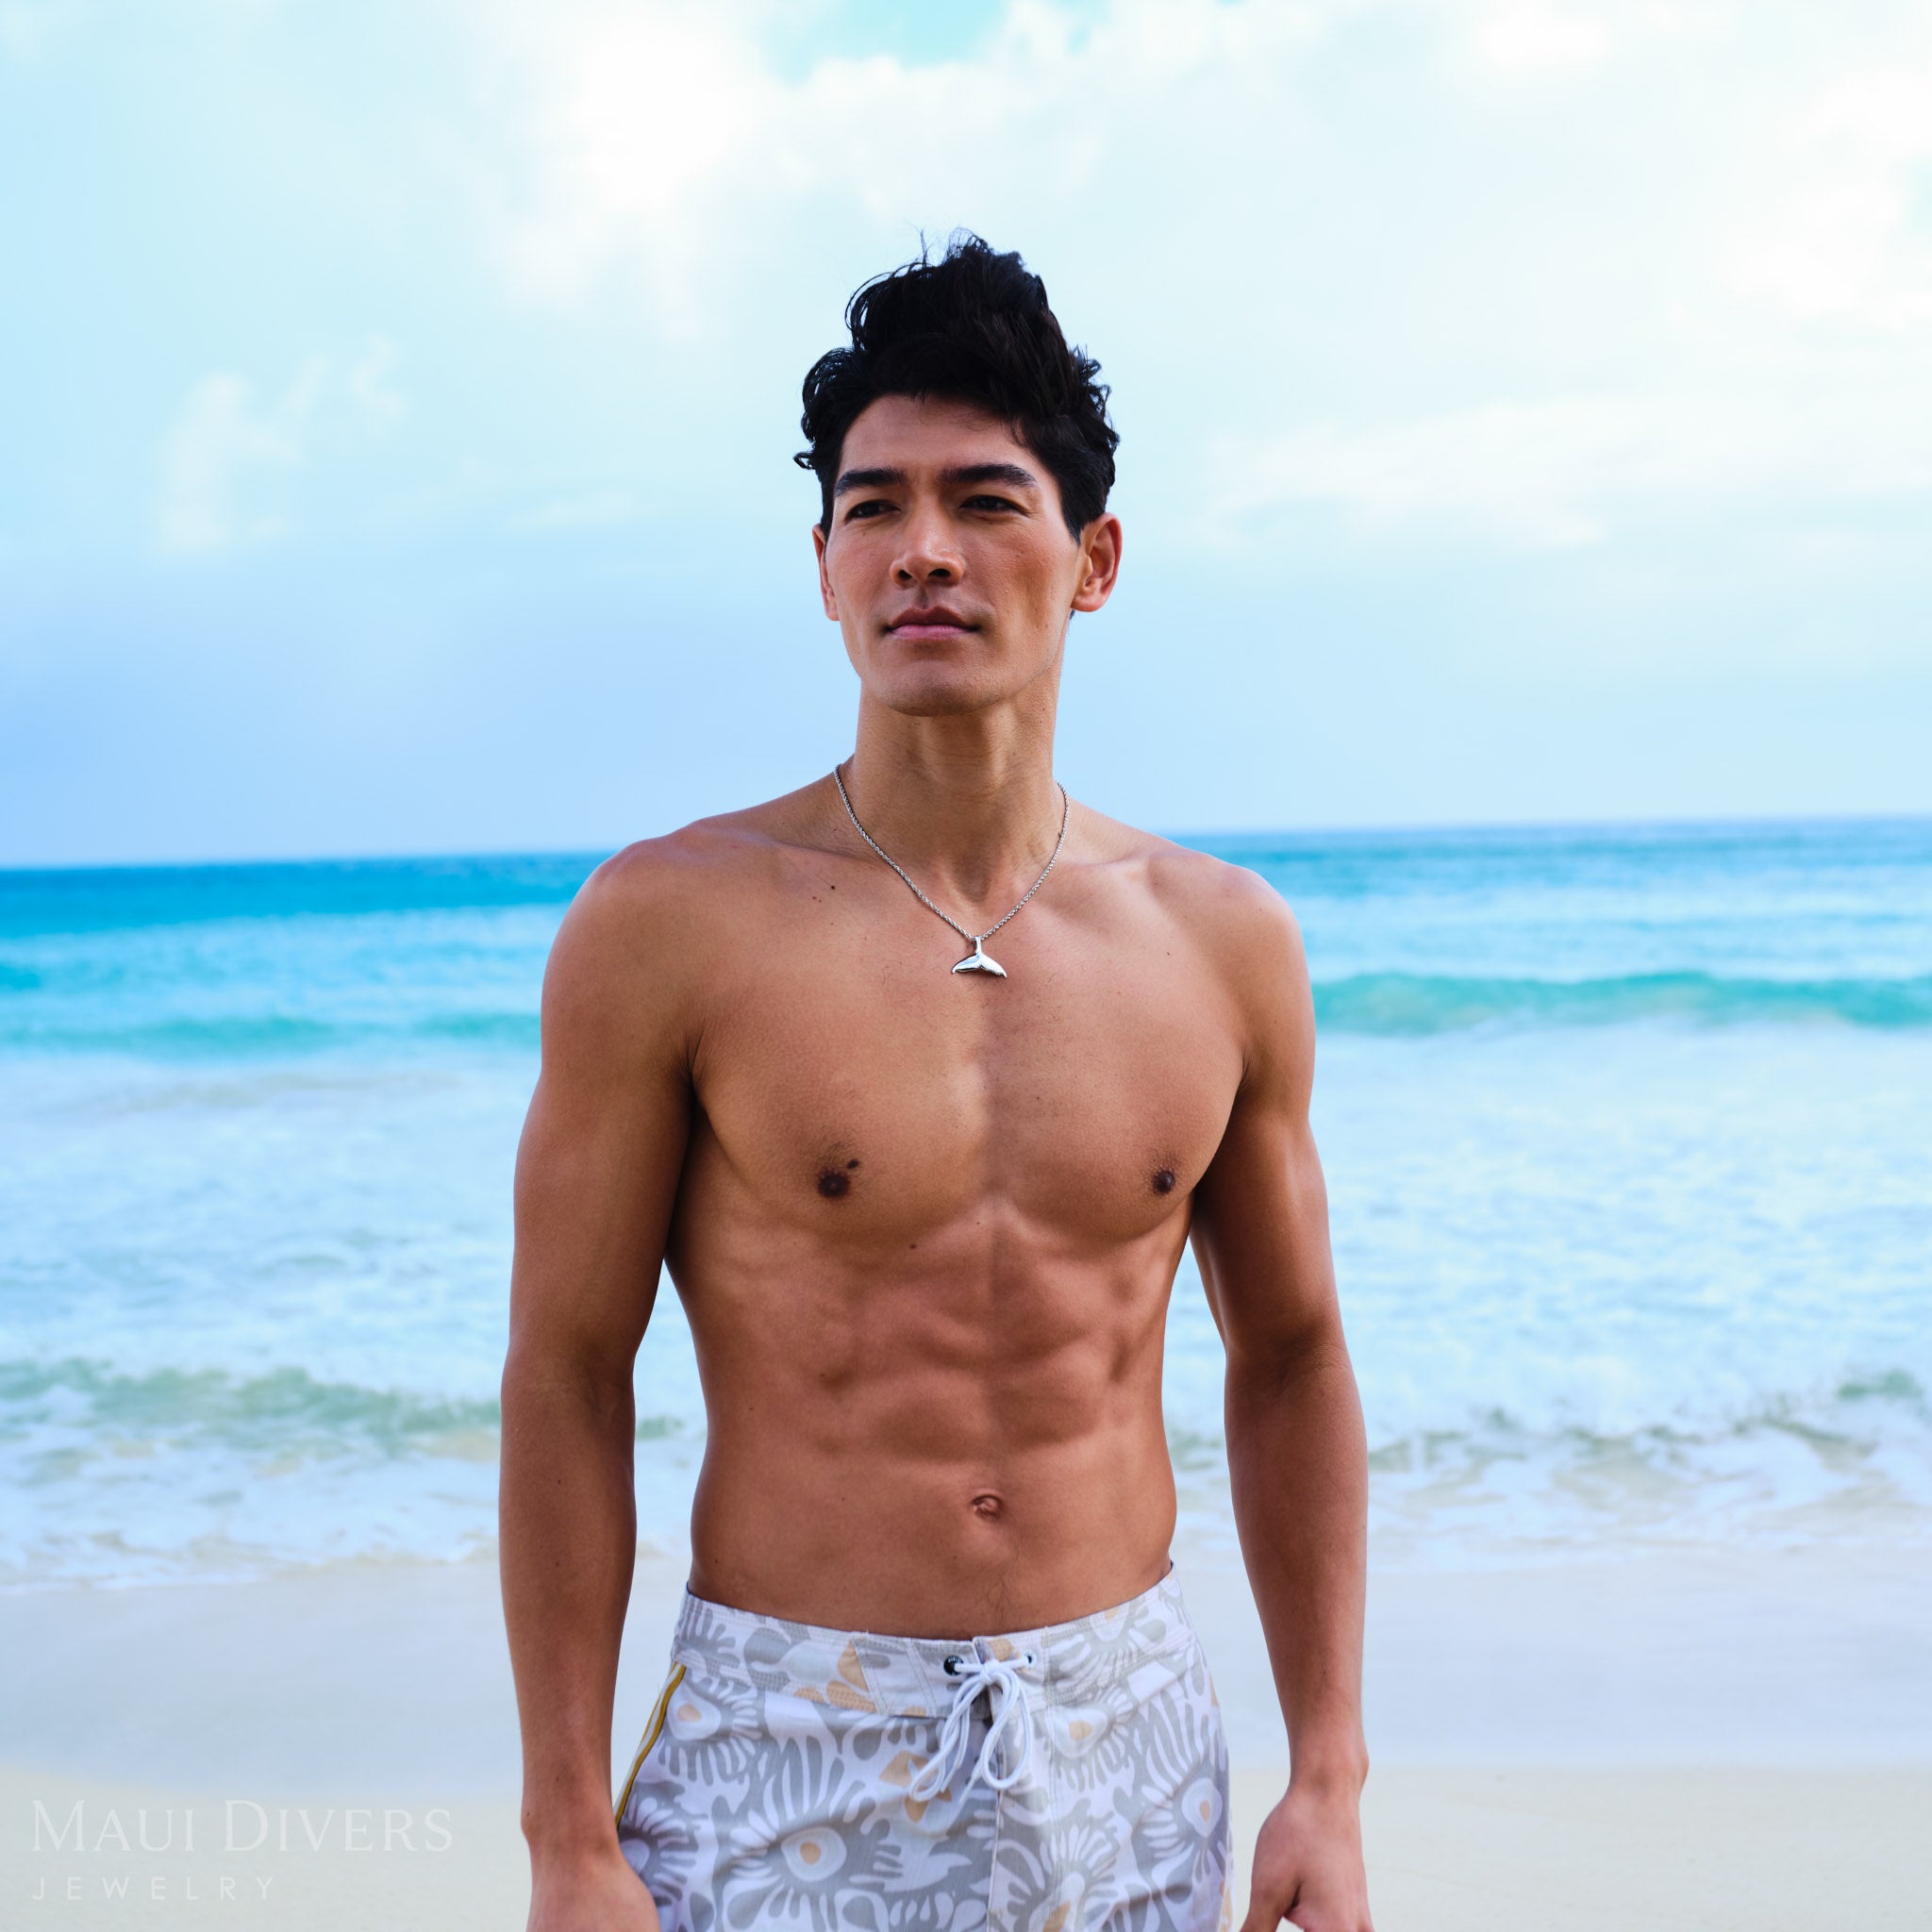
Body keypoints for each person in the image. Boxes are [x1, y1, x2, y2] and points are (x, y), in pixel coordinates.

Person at [500, 234, 1374, 1932]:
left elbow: (1293, 1355)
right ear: (822, 566)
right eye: (873, 507)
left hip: (1127, 1736)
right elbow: (565, 1373)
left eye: (984, 501)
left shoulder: (1220, 939)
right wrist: (562, 1838)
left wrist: (1327, 1777)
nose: (924, 554)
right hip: (786, 1733)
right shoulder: (670, 923)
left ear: (1094, 559)